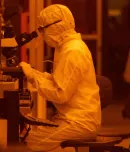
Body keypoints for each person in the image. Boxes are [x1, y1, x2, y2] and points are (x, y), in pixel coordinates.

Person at [19, 4, 101, 152]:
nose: (42, 35)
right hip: (72, 119)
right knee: (30, 136)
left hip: (78, 122)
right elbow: (59, 81)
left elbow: (60, 93)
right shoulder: (65, 47)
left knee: (28, 143)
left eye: (43, 29)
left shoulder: (73, 51)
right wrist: (34, 73)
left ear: (56, 26)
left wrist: (33, 78)